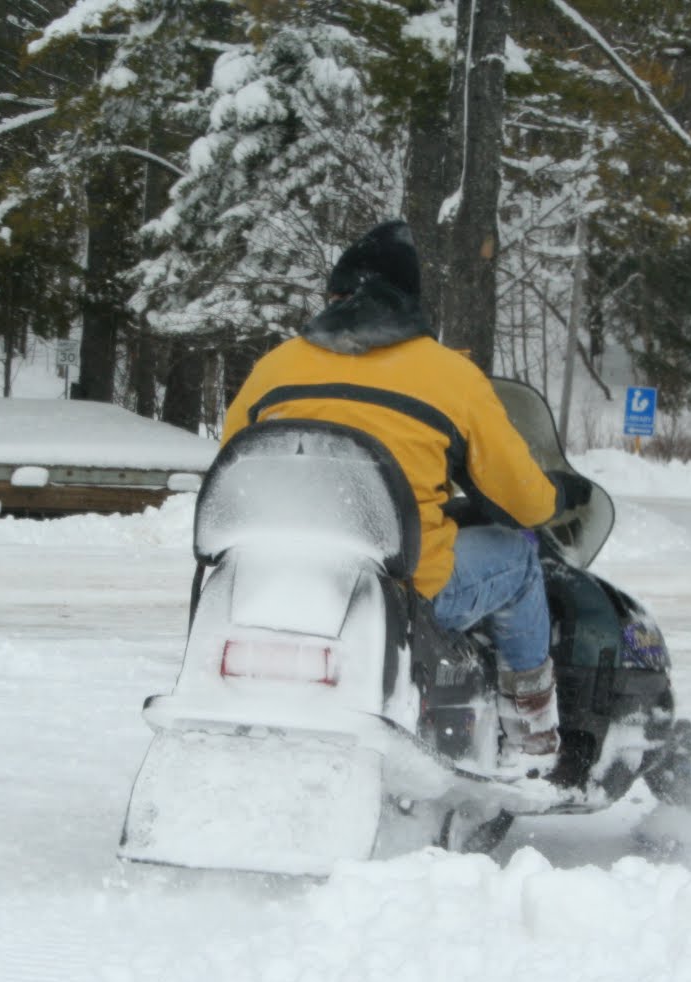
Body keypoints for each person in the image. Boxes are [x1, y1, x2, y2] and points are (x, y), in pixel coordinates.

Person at [221, 220, 593, 776]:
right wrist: (555, 493)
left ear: (335, 296)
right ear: (409, 300)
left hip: (277, 579)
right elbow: (524, 504)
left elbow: (231, 472)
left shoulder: (274, 368)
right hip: (399, 589)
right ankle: (532, 744)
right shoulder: (451, 377)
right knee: (518, 561)